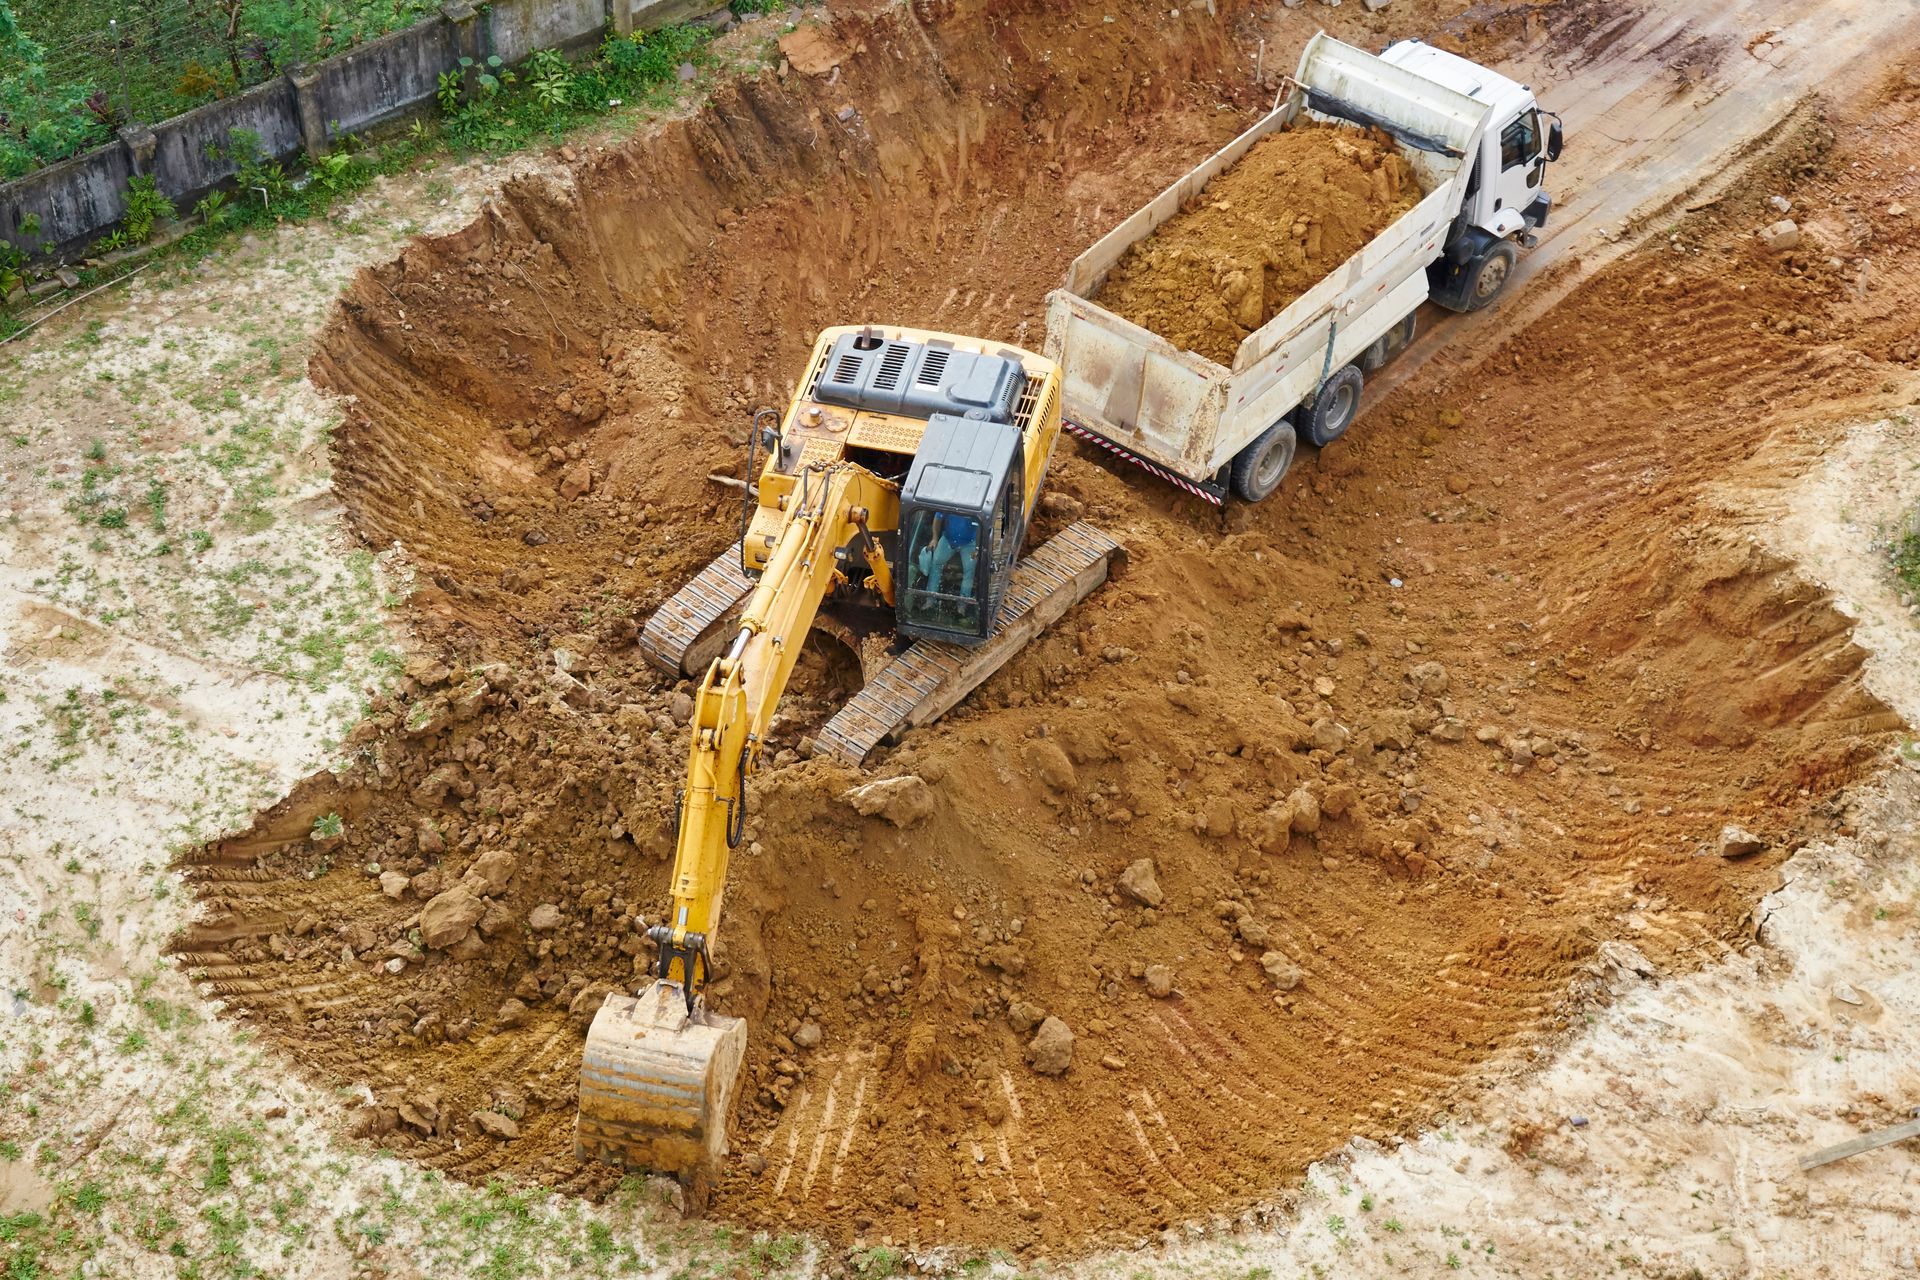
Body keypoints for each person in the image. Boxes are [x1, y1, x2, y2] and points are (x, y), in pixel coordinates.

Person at [916, 513, 979, 597]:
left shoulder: (975, 506)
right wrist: (935, 538)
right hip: (948, 539)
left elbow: (982, 524)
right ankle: (931, 598)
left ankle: (963, 602)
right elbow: (938, 518)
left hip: (969, 543)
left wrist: (977, 548)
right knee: (936, 562)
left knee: (969, 570)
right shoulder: (949, 503)